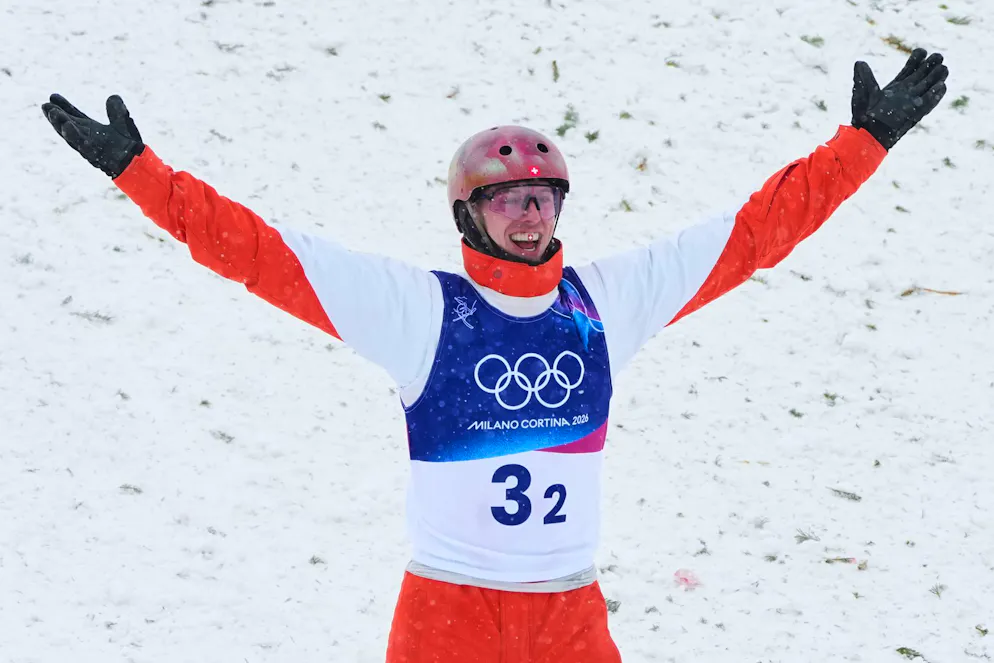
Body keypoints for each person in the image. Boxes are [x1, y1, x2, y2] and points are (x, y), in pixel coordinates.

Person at [41, 47, 948, 662]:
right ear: (467, 212)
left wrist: (863, 144)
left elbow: (753, 234)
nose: (531, 213)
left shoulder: (604, 304)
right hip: (448, 612)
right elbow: (260, 254)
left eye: (544, 196)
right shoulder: (419, 312)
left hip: (569, 613)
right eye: (508, 197)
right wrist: (139, 173)